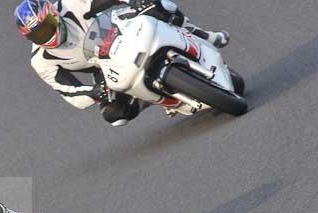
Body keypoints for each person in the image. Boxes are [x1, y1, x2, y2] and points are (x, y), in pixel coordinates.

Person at [14, 0, 230, 126]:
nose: (48, 35)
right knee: (115, 115)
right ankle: (153, 99)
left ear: (54, 14)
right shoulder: (42, 61)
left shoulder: (69, 4)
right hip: (103, 64)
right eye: (39, 35)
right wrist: (94, 92)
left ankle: (204, 36)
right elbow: (70, 92)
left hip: (121, 28)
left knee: (161, 5)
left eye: (48, 26)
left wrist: (135, 2)